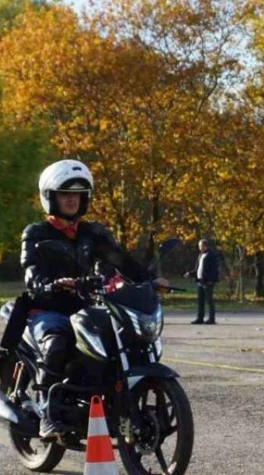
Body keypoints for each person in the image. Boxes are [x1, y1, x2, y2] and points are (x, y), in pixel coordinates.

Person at [21, 159, 166, 440]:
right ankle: (48, 413)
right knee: (58, 340)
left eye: (77, 194)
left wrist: (148, 280)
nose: (72, 199)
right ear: (51, 197)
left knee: (120, 339)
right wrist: (50, 284)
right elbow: (31, 274)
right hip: (47, 308)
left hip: (84, 308)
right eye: (65, 193)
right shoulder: (36, 233)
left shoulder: (93, 233)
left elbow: (122, 261)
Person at [184, 238, 218, 325]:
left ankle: (211, 319)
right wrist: (190, 274)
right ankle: (200, 318)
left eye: (201, 246)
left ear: (205, 246)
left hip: (207, 281)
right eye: (199, 246)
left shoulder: (212, 255)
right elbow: (197, 269)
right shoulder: (200, 255)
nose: (199, 248)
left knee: (209, 300)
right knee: (200, 301)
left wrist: (211, 280)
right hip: (200, 281)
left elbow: (214, 269)